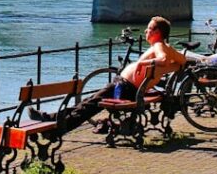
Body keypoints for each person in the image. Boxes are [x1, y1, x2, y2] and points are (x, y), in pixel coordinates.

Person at [29, 16, 186, 133]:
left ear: (157, 32)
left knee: (89, 106)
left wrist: (141, 63)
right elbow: (182, 60)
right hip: (127, 87)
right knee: (88, 102)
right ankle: (53, 118)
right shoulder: (166, 46)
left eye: (149, 28)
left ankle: (57, 128)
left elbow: (162, 59)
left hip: (125, 88)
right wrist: (168, 68)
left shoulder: (159, 45)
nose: (146, 31)